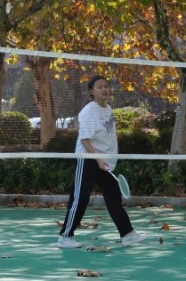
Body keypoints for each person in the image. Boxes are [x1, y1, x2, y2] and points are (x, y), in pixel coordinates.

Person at [57, 75, 147, 249]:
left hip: (103, 161)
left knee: (113, 197)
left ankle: (127, 235)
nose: (104, 89)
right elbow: (84, 139)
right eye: (100, 87)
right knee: (80, 198)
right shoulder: (88, 111)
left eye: (106, 86)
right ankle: (65, 237)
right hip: (88, 159)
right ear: (91, 91)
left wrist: (107, 159)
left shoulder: (108, 109)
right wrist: (97, 158)